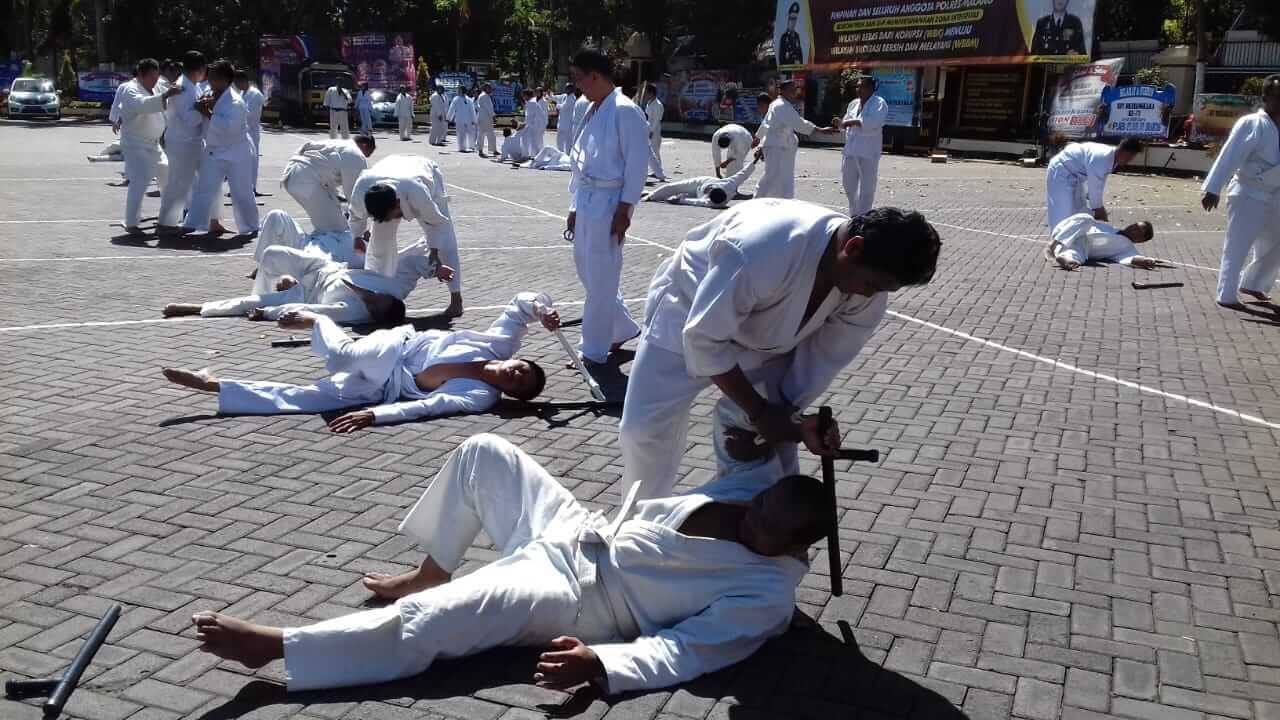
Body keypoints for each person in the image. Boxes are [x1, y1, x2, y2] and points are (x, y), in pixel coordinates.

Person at [189, 433, 829, 694]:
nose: (748, 517)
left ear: (794, 548)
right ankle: (431, 566)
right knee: (485, 452)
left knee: (441, 618)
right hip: (578, 533)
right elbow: (753, 437)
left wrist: (601, 663)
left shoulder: (764, 597)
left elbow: (685, 652)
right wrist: (801, 429)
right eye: (757, 505)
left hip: (580, 596)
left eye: (762, 527)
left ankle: (281, 648)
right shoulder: (757, 496)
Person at [619, 202, 940, 503]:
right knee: (643, 430)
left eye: (883, 289)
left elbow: (822, 360)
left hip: (772, 337)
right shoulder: (762, 249)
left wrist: (784, 421)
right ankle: (637, 529)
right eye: (871, 283)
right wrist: (759, 412)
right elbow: (704, 339)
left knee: (767, 443)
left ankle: (752, 528)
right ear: (852, 248)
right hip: (687, 312)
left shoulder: (870, 286)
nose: (870, 294)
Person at [163, 293, 555, 428]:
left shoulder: (480, 397)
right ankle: (318, 318)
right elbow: (520, 304)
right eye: (522, 369)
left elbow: (428, 408)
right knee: (341, 354)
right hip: (395, 347)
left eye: (518, 384)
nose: (515, 375)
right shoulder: (497, 346)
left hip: (386, 387)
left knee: (314, 400)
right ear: (518, 358)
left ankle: (216, 385)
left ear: (510, 395)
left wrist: (375, 415)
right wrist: (542, 311)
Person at [564, 49, 649, 366]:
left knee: (601, 277)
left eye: (578, 77)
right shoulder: (591, 109)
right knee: (587, 270)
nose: (577, 84)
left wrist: (625, 210)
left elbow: (637, 166)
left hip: (610, 203)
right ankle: (623, 326)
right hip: (587, 200)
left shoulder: (625, 110)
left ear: (595, 76)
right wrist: (573, 206)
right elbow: (580, 164)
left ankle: (594, 349)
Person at [161, 238, 451, 325]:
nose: (373, 298)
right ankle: (270, 284)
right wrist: (435, 267)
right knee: (272, 253)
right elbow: (414, 258)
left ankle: (198, 308)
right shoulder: (395, 288)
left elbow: (312, 312)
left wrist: (267, 313)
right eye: (379, 298)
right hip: (323, 267)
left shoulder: (354, 314)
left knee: (253, 302)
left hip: (310, 293)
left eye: (373, 305)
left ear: (373, 314)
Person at [348, 154, 464, 318]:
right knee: (379, 244)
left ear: (396, 203)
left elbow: (437, 223)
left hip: (422, 171)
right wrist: (357, 237)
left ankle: (456, 299)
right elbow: (355, 217)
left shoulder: (417, 191)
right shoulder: (362, 188)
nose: (393, 220)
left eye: (392, 215)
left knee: (447, 243)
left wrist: (435, 252)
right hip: (391, 167)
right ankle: (379, 286)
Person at [1201, 74, 1280, 308]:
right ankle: (1226, 294)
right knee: (1238, 245)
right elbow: (1230, 155)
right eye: (1278, 96)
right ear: (1266, 98)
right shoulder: (1252, 123)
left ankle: (1254, 283)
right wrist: (1213, 188)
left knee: (1276, 243)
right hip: (1248, 192)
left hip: (1275, 193)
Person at [183, 60, 259, 238]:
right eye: (210, 77)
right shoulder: (209, 93)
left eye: (214, 78)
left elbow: (229, 128)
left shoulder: (236, 101)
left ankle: (251, 225)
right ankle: (193, 223)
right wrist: (200, 107)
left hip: (236, 151)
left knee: (242, 191)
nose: (210, 81)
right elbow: (197, 118)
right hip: (213, 150)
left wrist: (207, 112)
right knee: (205, 188)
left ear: (225, 80)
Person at [117, 58, 182, 236]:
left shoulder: (158, 86)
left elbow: (171, 86)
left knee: (166, 174)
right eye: (151, 76)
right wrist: (167, 95)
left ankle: (167, 218)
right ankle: (131, 222)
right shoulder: (131, 90)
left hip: (154, 144)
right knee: (140, 180)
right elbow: (142, 105)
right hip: (135, 143)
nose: (155, 80)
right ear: (141, 75)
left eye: (156, 75)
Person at [156, 51, 208, 236]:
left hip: (190, 141)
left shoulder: (192, 85)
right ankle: (166, 222)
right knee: (178, 184)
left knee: (193, 183)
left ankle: (190, 220)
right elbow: (191, 119)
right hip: (183, 142)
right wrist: (204, 108)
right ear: (199, 69)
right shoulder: (183, 88)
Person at [752, 83, 834, 199]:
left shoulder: (779, 104)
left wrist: (758, 138)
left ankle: (781, 201)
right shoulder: (781, 106)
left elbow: (766, 123)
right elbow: (797, 122)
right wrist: (819, 129)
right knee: (772, 176)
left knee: (783, 176)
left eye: (795, 90)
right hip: (777, 147)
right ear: (783, 91)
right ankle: (758, 200)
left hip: (781, 147)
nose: (795, 93)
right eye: (792, 90)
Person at [281, 135, 375, 235]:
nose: (366, 157)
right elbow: (355, 197)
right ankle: (289, 237)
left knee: (330, 223)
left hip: (291, 174)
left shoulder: (337, 144)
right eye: (367, 154)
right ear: (364, 146)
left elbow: (306, 150)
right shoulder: (356, 155)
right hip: (307, 181)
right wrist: (362, 231)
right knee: (336, 231)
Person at [1044, 138, 1142, 231]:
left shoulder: (1112, 158)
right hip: (1060, 172)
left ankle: (1076, 239)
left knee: (1080, 209)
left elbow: (1099, 184)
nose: (1130, 161)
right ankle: (1057, 242)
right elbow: (1095, 188)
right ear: (1123, 151)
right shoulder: (1102, 158)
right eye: (1130, 157)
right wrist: (1099, 210)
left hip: (1075, 176)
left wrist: (1097, 209)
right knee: (1063, 211)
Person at [835, 76, 888, 216]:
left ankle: (863, 216)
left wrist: (852, 122)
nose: (858, 89)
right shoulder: (853, 103)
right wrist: (839, 123)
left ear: (871, 88)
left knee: (867, 188)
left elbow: (873, 123)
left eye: (862, 86)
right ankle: (853, 212)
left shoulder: (879, 103)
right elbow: (845, 124)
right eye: (857, 86)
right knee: (848, 184)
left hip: (868, 152)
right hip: (851, 151)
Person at [1045, 213, 1162, 271]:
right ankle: (1051, 246)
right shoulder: (1111, 228)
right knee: (1086, 218)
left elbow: (1130, 258)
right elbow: (1080, 223)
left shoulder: (1127, 247)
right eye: (1135, 225)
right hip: (1068, 235)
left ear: (1140, 240)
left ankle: (1067, 261)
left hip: (1083, 249)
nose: (1133, 228)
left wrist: (1145, 261)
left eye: (1137, 230)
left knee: (1075, 256)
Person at [253, 209, 363, 270]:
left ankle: (298, 281)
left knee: (316, 261)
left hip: (323, 259)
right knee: (276, 215)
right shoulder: (329, 224)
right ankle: (262, 266)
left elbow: (362, 264)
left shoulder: (359, 241)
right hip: (307, 243)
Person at [641, 159, 758, 209]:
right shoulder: (730, 183)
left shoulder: (710, 203)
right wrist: (756, 159)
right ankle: (650, 196)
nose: (708, 191)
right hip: (700, 182)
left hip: (697, 194)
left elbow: (695, 202)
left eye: (708, 193)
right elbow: (744, 173)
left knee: (677, 196)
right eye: (710, 190)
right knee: (673, 187)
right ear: (716, 188)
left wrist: (679, 201)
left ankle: (652, 195)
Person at [233, 70, 265, 195]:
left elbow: (251, 115)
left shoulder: (255, 94)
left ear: (243, 81)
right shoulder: (242, 93)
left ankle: (251, 188)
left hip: (251, 131)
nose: (236, 86)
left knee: (252, 161)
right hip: (240, 133)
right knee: (240, 162)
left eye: (237, 83)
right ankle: (241, 187)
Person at [644, 86, 668, 182]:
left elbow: (657, 120)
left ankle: (659, 170)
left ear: (652, 93)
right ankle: (655, 170)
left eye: (647, 93)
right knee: (651, 150)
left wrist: (652, 131)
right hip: (648, 127)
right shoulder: (649, 103)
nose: (646, 95)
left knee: (655, 150)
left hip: (655, 129)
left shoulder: (658, 104)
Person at [447, 87, 477, 153]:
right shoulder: (456, 99)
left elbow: (472, 111)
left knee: (471, 133)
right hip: (459, 119)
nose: (458, 91)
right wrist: (449, 118)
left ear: (462, 91)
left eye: (459, 90)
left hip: (468, 119)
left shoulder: (469, 100)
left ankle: (471, 146)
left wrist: (474, 120)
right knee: (461, 133)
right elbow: (452, 109)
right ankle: (462, 147)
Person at [523, 88, 549, 157]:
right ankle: (537, 155)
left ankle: (536, 156)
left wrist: (524, 124)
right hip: (536, 124)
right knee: (536, 141)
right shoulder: (531, 102)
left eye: (524, 95)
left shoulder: (532, 103)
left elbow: (529, 117)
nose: (523, 97)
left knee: (535, 141)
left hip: (537, 125)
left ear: (527, 96)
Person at [553, 83, 578, 153]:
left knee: (567, 143)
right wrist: (550, 96)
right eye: (566, 88)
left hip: (568, 124)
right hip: (562, 123)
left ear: (572, 90)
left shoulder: (572, 98)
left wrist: (556, 105)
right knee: (559, 140)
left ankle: (567, 156)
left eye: (568, 88)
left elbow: (563, 107)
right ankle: (559, 154)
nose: (566, 89)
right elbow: (557, 97)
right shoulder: (565, 96)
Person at [476, 82, 497, 157]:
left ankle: (493, 150)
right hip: (485, 118)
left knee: (490, 134)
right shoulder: (484, 96)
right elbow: (489, 109)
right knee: (482, 134)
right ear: (485, 88)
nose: (491, 89)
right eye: (489, 88)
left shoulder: (484, 95)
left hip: (485, 118)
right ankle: (480, 150)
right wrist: (493, 116)